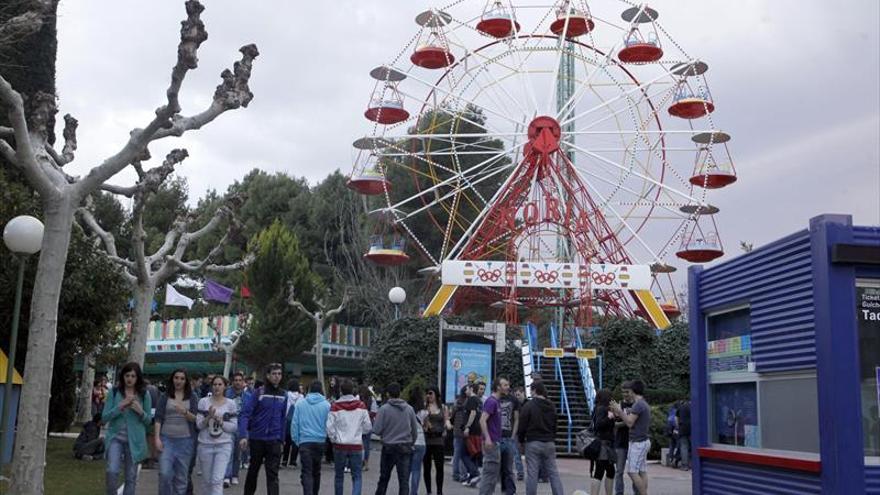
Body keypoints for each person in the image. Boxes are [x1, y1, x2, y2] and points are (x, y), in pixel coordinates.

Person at [103, 362, 153, 495]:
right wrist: (121, 406)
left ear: (138, 378)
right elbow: (104, 417)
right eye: (127, 375)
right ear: (122, 376)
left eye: (133, 376)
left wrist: (140, 411)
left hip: (135, 442)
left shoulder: (144, 395)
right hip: (116, 439)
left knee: (131, 477)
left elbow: (148, 421)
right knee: (112, 471)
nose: (130, 378)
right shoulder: (114, 392)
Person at [239, 363, 289, 495]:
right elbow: (245, 413)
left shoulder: (284, 395)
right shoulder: (259, 392)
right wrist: (243, 435)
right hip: (257, 439)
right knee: (253, 471)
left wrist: (282, 439)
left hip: (274, 440)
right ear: (268, 375)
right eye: (274, 374)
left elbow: (283, 418)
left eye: (279, 374)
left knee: (273, 475)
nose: (277, 377)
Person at [154, 368, 199, 495]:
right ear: (172, 379)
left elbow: (196, 419)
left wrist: (184, 412)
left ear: (186, 381)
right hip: (167, 439)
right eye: (176, 378)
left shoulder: (192, 397)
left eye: (182, 378)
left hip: (186, 440)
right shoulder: (165, 396)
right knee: (164, 473)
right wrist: (157, 438)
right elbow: (158, 418)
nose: (178, 380)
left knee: (181, 478)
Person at [373, 382, 420, 495]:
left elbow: (376, 430)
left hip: (388, 447)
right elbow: (414, 430)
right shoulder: (409, 409)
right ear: (400, 393)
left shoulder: (384, 409)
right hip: (405, 447)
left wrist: (384, 434)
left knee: (384, 478)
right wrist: (411, 442)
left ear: (388, 394)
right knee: (404, 481)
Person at [517, 381, 563, 495]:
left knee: (532, 473)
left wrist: (521, 441)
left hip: (533, 442)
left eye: (531, 390)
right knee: (553, 473)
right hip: (549, 442)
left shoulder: (529, 406)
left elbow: (522, 425)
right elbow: (555, 424)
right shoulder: (551, 405)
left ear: (534, 390)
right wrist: (552, 437)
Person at [327, 378, 372, 495]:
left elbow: (329, 428)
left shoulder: (335, 406)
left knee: (339, 476)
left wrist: (334, 439)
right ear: (353, 391)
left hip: (340, 446)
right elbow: (368, 427)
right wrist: (358, 433)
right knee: (357, 476)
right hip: (356, 445)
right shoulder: (361, 406)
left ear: (341, 391)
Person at [197, 375, 239, 495]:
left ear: (225, 387)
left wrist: (222, 422)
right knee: (206, 480)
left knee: (217, 480)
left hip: (223, 445)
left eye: (220, 384)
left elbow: (234, 427)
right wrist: (209, 417)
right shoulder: (203, 402)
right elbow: (199, 425)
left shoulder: (230, 404)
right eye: (215, 384)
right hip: (205, 445)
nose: (217, 387)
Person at [610, 380, 651, 495]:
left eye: (629, 391)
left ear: (633, 391)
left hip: (638, 442)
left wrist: (619, 412)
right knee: (642, 471)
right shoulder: (643, 403)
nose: (626, 394)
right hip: (638, 441)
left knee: (632, 472)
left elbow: (629, 423)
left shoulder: (638, 404)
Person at [291, 381, 331, 495]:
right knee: (316, 471)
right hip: (320, 441)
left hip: (304, 441)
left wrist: (297, 440)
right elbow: (329, 424)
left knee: (307, 472)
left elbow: (295, 424)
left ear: (309, 390)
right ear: (321, 391)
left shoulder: (300, 404)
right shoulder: (327, 405)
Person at [478, 377, 511, 495]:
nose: (508, 387)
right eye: (505, 385)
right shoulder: (492, 401)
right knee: (489, 476)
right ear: (498, 387)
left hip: (494, 443)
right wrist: (487, 438)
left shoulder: (496, 402)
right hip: (491, 444)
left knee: (492, 477)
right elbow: (482, 420)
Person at [225, 371, 252, 487]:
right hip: (228, 425)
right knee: (228, 452)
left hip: (242, 427)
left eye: (240, 380)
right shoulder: (226, 394)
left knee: (237, 453)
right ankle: (226, 476)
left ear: (243, 382)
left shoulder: (249, 396)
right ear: (232, 382)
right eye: (235, 380)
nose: (237, 382)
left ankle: (234, 475)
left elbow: (250, 413)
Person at [422, 386, 450, 495]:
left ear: (436, 394)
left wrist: (448, 426)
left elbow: (446, 421)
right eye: (427, 393)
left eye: (430, 393)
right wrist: (426, 422)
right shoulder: (425, 408)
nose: (428, 396)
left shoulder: (443, 408)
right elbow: (423, 424)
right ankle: (429, 491)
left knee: (439, 467)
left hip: (439, 440)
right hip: (427, 439)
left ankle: (439, 491)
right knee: (427, 467)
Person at [589, 390, 616, 495]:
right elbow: (599, 425)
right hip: (604, 444)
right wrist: (609, 418)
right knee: (602, 471)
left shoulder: (597, 408)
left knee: (607, 470)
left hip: (603, 443)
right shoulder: (602, 409)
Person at [498, 382, 521, 494]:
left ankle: (510, 490)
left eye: (508, 384)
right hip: (497, 437)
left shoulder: (513, 400)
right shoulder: (495, 399)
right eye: (505, 385)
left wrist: (513, 435)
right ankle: (503, 488)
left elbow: (516, 418)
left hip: (508, 436)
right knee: (499, 466)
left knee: (508, 466)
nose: (507, 386)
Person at [461, 382, 483, 487]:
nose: (465, 391)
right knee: (473, 454)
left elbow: (473, 413)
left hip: (471, 431)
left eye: (467, 389)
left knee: (464, 454)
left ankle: (475, 474)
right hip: (477, 431)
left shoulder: (471, 399)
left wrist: (467, 427)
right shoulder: (479, 400)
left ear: (471, 389)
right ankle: (471, 479)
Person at [408, 386, 427, 495]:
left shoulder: (407, 409)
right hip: (421, 442)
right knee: (416, 469)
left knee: (407, 469)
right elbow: (426, 427)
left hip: (409, 441)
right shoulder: (424, 411)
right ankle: (413, 492)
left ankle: (405, 490)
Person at [282, 378, 304, 468]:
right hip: (297, 421)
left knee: (287, 442)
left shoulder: (286, 395)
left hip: (287, 420)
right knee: (295, 441)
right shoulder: (301, 397)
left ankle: (284, 460)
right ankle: (293, 461)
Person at [612, 397, 631, 495]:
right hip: (620, 442)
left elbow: (632, 422)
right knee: (619, 471)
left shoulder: (636, 405)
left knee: (634, 472)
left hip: (633, 442)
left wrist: (627, 421)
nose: (626, 395)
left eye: (627, 392)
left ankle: (637, 492)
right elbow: (614, 423)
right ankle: (619, 493)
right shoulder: (619, 406)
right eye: (624, 392)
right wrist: (626, 421)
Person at [450, 386, 469, 483]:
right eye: (468, 389)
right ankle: (462, 474)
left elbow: (452, 416)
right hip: (463, 430)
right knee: (462, 453)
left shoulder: (457, 402)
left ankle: (456, 474)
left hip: (457, 430)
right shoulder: (468, 402)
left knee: (457, 453)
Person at [358, 384, 378, 472]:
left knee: (358, 443)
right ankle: (366, 464)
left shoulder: (358, 399)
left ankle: (358, 462)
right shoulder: (372, 399)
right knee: (366, 444)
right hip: (368, 423)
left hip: (358, 423)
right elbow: (374, 412)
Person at [510, 387, 526, 481]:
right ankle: (520, 473)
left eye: (518, 394)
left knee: (526, 454)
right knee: (516, 453)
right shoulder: (514, 405)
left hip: (524, 432)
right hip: (517, 432)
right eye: (516, 395)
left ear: (523, 393)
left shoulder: (527, 404)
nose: (517, 397)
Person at [676, 399, 691, 471]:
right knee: (693, 446)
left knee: (684, 447)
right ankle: (694, 464)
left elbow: (676, 418)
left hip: (682, 428)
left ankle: (685, 465)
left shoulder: (681, 407)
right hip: (693, 429)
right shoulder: (693, 406)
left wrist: (677, 427)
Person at [665, 402, 679, 467]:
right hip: (675, 430)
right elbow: (676, 421)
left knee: (672, 445)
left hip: (669, 430)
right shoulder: (676, 412)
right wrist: (676, 429)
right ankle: (675, 460)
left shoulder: (670, 412)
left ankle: (670, 459)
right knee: (678, 445)